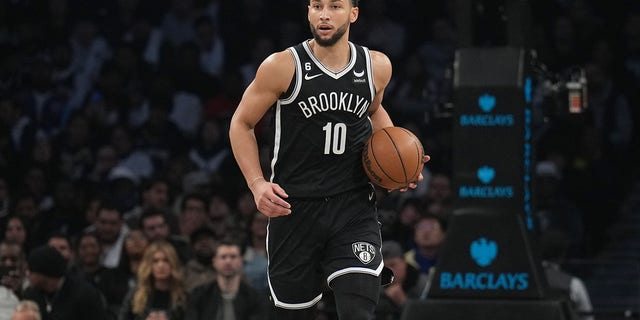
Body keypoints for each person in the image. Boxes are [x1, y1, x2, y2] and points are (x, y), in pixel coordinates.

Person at [228, 0, 429, 318]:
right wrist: (257, 184)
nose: (324, 14)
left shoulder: (376, 66)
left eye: (335, 6)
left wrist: (400, 163)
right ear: (307, 12)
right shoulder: (283, 66)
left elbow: (374, 111)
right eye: (316, 5)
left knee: (358, 310)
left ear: (353, 14)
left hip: (352, 205)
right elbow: (241, 123)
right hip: (294, 208)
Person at [185, 239, 267, 320]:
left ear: (241, 261)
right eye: (223, 257)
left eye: (233, 257)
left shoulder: (254, 298)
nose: (228, 261)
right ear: (214, 262)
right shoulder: (200, 295)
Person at [22, 245, 107, 320]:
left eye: (31, 270)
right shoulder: (30, 296)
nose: (27, 274)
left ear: (44, 273)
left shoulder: (85, 296)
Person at [118, 241, 187, 320]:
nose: (160, 265)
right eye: (155, 261)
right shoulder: (135, 294)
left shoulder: (183, 297)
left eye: (166, 260)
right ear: (149, 265)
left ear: (173, 263)